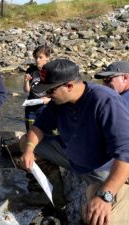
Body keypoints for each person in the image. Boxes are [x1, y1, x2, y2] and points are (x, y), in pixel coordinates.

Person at [20, 59, 129, 225]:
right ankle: (53, 195)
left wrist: (106, 196)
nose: (47, 96)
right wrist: (29, 150)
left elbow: (125, 154)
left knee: (100, 218)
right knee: (25, 141)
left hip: (99, 168)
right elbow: (39, 127)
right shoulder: (59, 101)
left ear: (69, 86)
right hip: (69, 155)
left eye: (50, 91)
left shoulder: (106, 101)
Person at [23, 45, 51, 131]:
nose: (37, 60)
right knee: (31, 133)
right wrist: (26, 81)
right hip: (31, 106)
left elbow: (59, 91)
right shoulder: (31, 70)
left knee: (46, 134)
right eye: (36, 57)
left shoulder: (51, 71)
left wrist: (49, 99)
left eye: (40, 57)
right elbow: (26, 90)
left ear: (47, 57)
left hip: (45, 108)